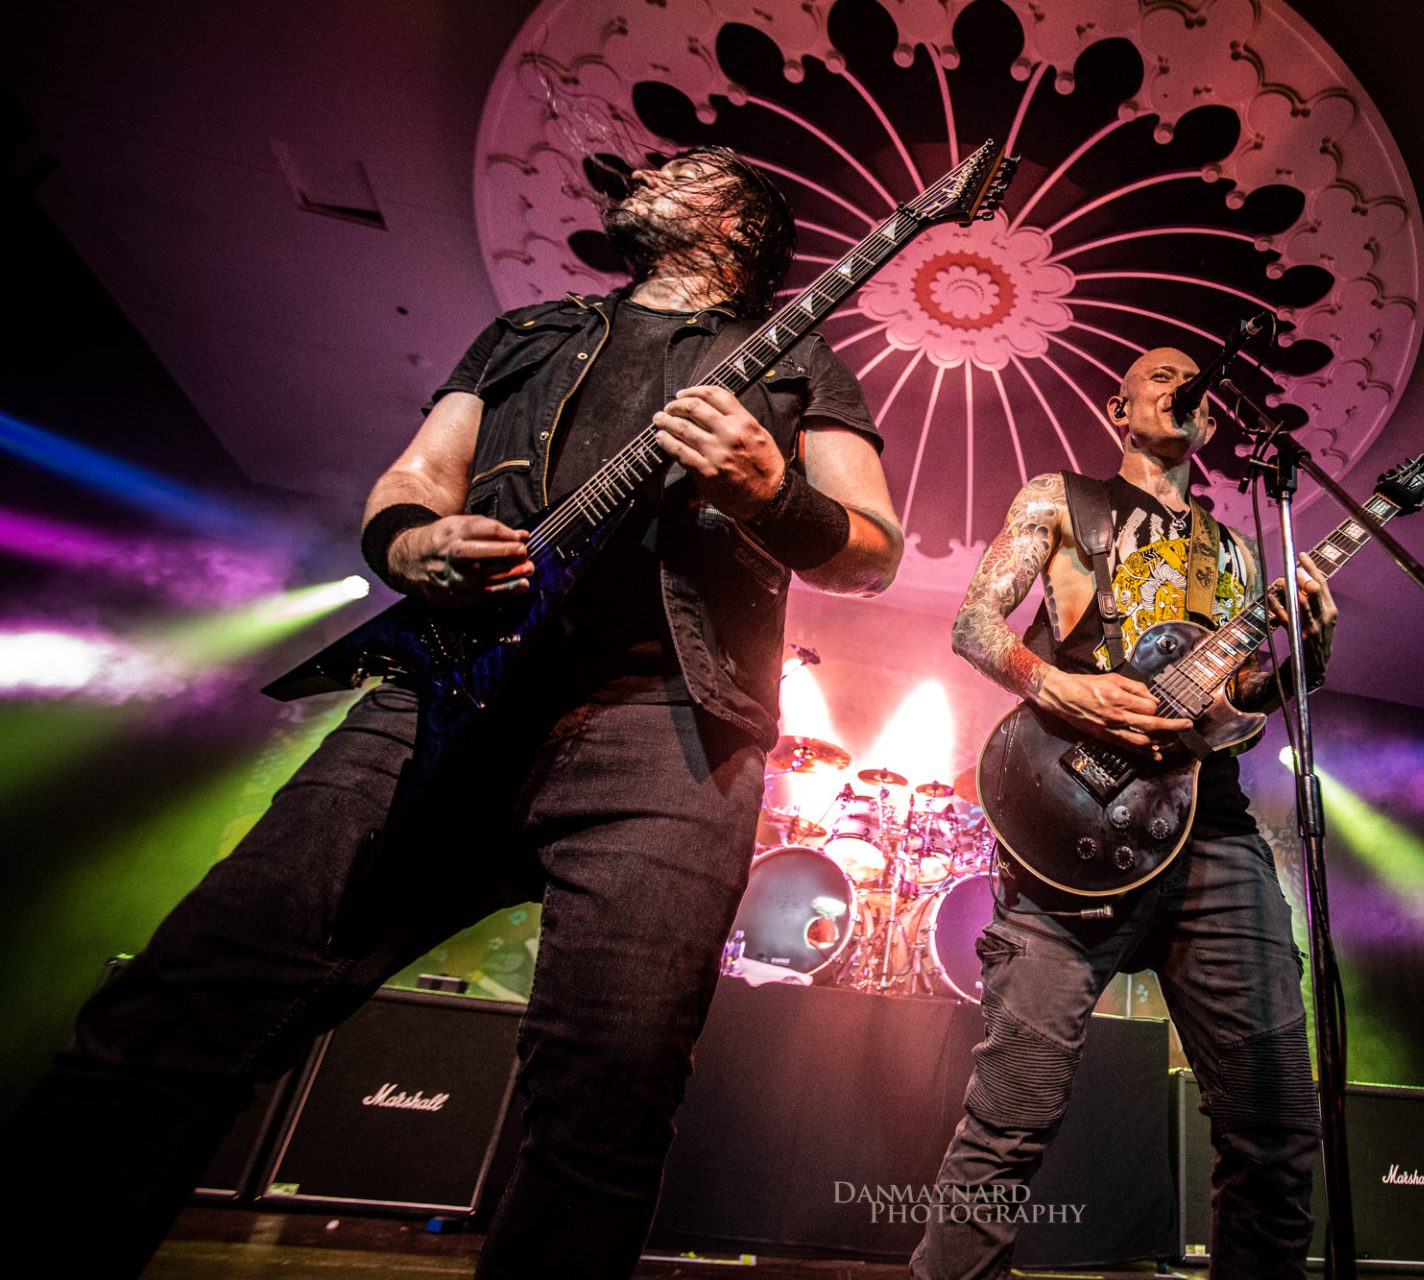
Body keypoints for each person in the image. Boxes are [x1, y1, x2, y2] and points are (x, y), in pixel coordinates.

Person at [0, 146, 903, 1278]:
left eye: (684, 168)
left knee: (606, 1095)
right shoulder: (530, 330)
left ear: (736, 224)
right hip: (446, 695)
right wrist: (412, 544)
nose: (642, 172)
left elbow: (871, 551)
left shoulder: (798, 355)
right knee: (191, 993)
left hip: (669, 725)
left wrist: (770, 491)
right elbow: (415, 479)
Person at [915, 347, 1337, 1279]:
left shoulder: (1239, 551)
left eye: (1195, 384)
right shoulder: (1060, 498)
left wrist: (1304, 659)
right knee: (1011, 1117)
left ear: (1214, 422)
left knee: (1277, 1127)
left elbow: (1236, 713)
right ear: (1120, 405)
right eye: (1160, 375)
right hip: (1070, 820)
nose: (1182, 387)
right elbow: (974, 624)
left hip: (1212, 826)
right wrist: (1061, 687)